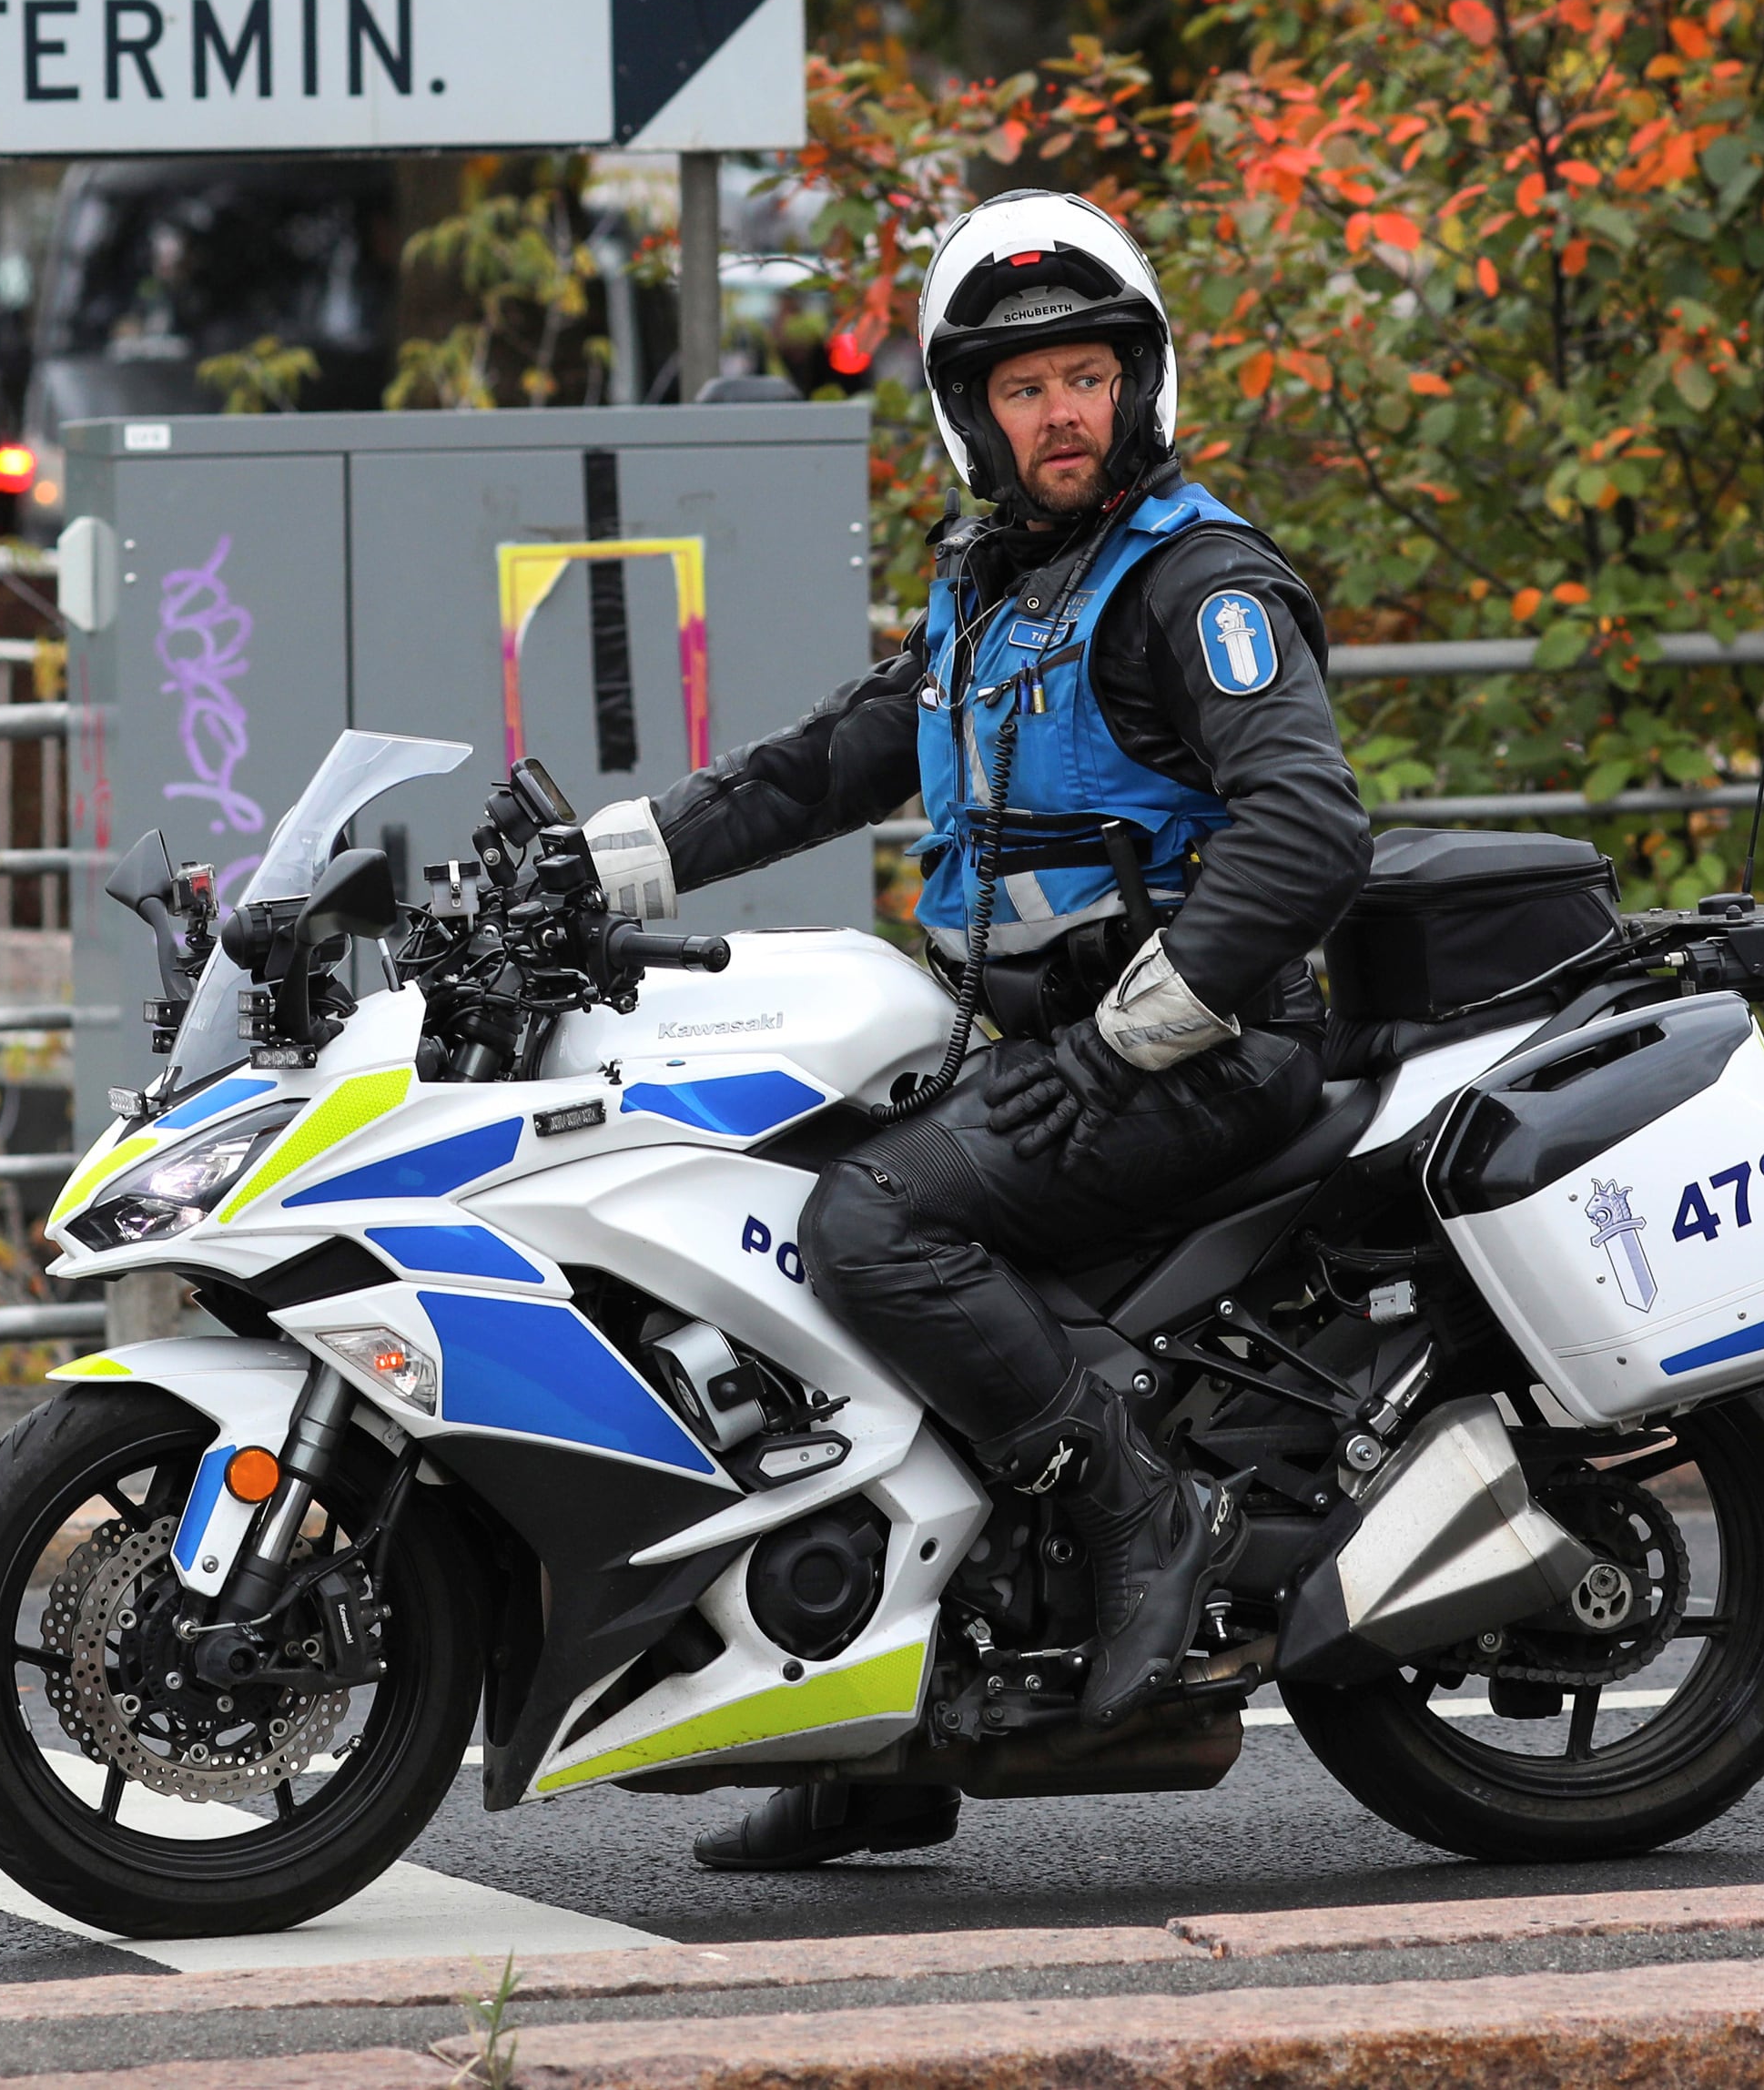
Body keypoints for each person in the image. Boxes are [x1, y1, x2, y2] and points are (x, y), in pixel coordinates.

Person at [579, 189, 1371, 1872]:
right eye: (1024, 387)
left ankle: (1142, 1500)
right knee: (774, 1211)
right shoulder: (995, 595)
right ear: (974, 416)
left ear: (1138, 380)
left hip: (1199, 1053)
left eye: (1086, 373)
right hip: (1045, 1044)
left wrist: (1133, 1037)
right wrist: (587, 865)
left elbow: (1306, 829)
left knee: (873, 1220)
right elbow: (812, 768)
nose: (1060, 410)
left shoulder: (1194, 585)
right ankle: (886, 1736)